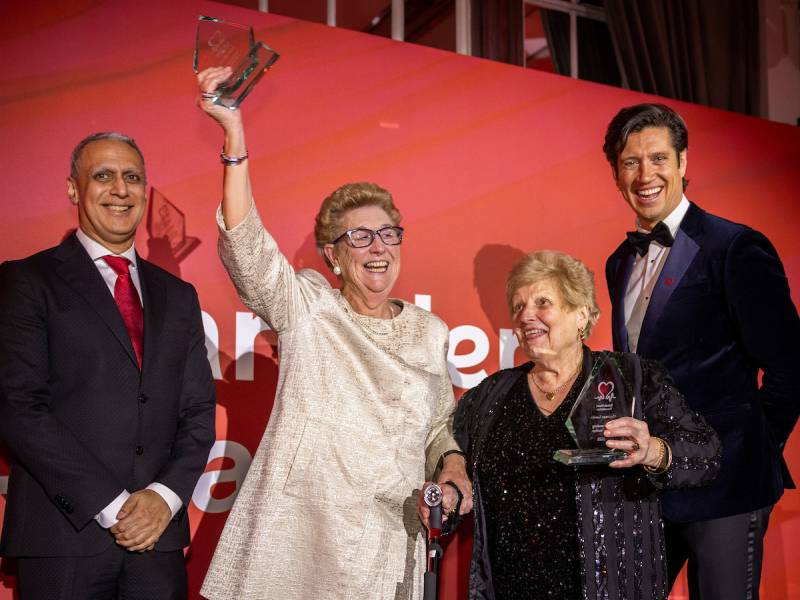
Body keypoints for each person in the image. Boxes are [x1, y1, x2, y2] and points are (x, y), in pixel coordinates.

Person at [195, 67, 472, 600]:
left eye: (388, 234)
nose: (378, 247)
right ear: (334, 257)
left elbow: (439, 425)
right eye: (360, 237)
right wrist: (234, 138)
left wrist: (453, 464)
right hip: (297, 541)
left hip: (389, 542)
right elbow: (248, 250)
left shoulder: (428, 331)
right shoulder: (310, 306)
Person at [0, 132, 217, 599]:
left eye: (132, 177)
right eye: (103, 175)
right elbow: (19, 408)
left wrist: (164, 498)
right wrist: (115, 506)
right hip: (63, 536)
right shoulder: (26, 281)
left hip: (156, 542)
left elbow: (198, 414)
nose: (120, 189)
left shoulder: (179, 297)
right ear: (74, 189)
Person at [604, 103, 800, 599]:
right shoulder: (618, 263)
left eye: (658, 158)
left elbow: (789, 367)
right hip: (652, 487)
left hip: (728, 488)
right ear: (616, 174)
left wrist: (750, 450)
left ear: (683, 162)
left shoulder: (734, 247)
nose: (645, 174)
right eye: (631, 162)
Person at [452, 250, 720, 599]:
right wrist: (452, 465)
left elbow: (707, 453)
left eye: (542, 302)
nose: (526, 315)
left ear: (581, 315)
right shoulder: (490, 394)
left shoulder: (632, 380)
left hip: (612, 589)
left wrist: (653, 450)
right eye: (518, 307)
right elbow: (449, 451)